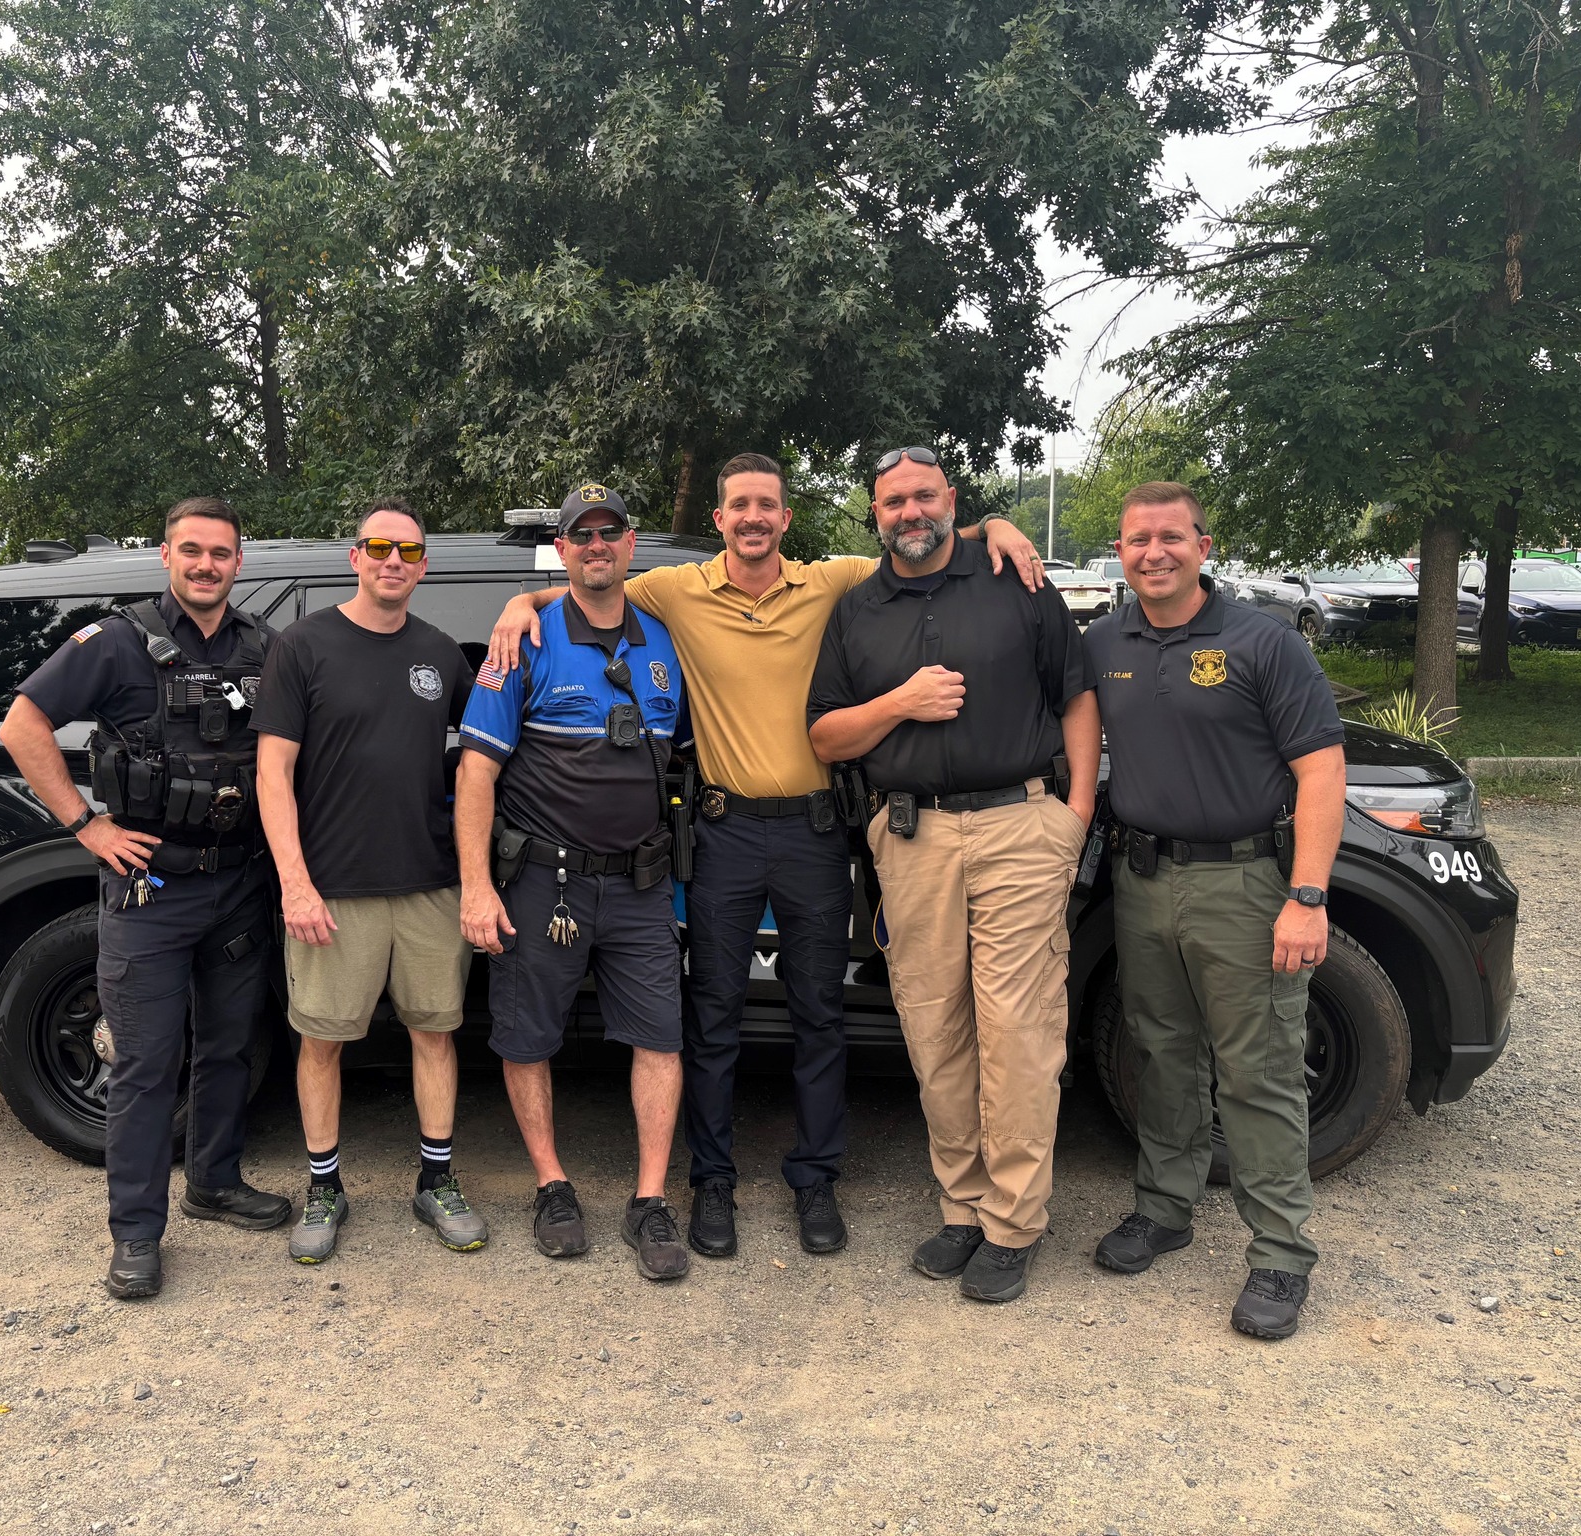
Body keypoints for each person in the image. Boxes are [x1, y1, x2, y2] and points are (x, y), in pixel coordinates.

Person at [484, 453, 1043, 1260]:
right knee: (713, 1019)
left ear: (786, 518)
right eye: (739, 504)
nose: (752, 517)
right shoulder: (676, 590)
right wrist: (518, 602)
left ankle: (815, 1180)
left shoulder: (831, 582)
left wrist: (999, 525)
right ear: (720, 519)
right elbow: (589, 585)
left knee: (821, 1017)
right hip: (724, 834)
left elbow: (920, 539)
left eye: (767, 505)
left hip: (815, 833)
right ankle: (713, 1182)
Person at [808, 447, 1098, 1304]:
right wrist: (900, 701)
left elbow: (1076, 694)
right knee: (935, 1031)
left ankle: (1013, 1223)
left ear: (952, 500)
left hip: (1020, 828)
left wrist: (1074, 815)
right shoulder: (858, 609)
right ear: (875, 512)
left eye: (924, 496)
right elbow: (825, 735)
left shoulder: (1017, 579)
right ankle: (963, 1207)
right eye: (893, 500)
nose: (910, 512)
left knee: (1018, 1033)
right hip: (913, 839)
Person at [0, 496, 292, 1300]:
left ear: (239, 562)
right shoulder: (117, 642)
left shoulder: (265, 646)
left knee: (229, 1047)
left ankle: (215, 1183)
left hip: (237, 881)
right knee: (145, 1066)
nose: (206, 565)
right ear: (166, 556)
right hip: (149, 890)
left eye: (221, 553)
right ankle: (135, 1233)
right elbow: (22, 724)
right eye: (191, 550)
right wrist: (85, 825)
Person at [1082, 482, 1347, 1340]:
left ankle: (1280, 1253)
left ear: (1203, 545)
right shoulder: (1103, 643)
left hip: (1245, 885)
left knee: (1257, 1069)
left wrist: (1307, 896)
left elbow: (1321, 770)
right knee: (1161, 1053)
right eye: (1137, 540)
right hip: (1141, 878)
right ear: (1120, 553)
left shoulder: (1263, 642)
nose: (1153, 553)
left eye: (1171, 537)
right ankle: (1165, 1208)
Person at [454, 483, 692, 1281]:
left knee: (661, 1039)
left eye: (609, 532)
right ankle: (551, 1185)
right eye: (580, 535)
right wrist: (476, 886)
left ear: (631, 544)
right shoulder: (520, 643)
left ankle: (650, 1200)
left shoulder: (666, 640)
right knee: (527, 1039)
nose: (596, 545)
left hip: (640, 887)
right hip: (541, 884)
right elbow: (476, 774)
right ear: (561, 550)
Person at [253, 497, 485, 1265]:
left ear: (423, 566)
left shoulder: (440, 654)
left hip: (429, 885)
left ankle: (436, 1181)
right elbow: (272, 773)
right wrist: (294, 882)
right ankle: (324, 1188)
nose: (393, 561)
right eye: (379, 547)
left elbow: (484, 753)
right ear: (355, 557)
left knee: (435, 1034)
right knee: (322, 1043)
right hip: (331, 891)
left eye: (409, 551)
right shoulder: (302, 646)